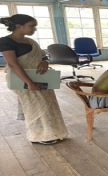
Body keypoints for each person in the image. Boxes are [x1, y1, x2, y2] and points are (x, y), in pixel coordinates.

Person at [0, 14, 68, 145]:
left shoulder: (31, 41)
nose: (34, 29)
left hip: (41, 77)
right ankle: (39, 136)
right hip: (22, 79)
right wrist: (29, 83)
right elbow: (13, 64)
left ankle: (53, 132)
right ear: (19, 26)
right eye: (31, 26)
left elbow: (43, 56)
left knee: (48, 105)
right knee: (34, 106)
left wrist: (45, 62)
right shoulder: (5, 41)